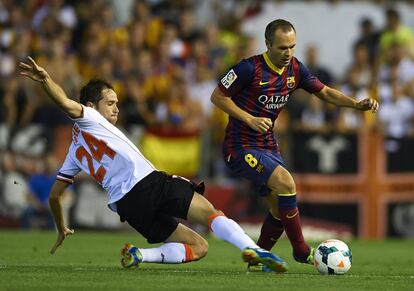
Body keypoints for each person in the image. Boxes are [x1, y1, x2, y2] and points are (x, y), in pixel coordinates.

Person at [18, 56, 287, 273]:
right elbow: (65, 102)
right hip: (147, 183)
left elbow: (55, 196)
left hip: (127, 207)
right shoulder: (89, 117)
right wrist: (46, 80)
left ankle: (140, 255)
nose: (116, 109)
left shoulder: (74, 153)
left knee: (199, 246)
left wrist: (60, 226)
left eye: (117, 104)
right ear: (90, 105)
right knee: (211, 213)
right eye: (110, 103)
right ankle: (254, 250)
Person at [210, 19, 379, 270]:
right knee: (287, 183)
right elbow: (217, 96)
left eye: (292, 46)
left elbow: (324, 92)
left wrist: (355, 104)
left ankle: (259, 258)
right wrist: (249, 119)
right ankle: (301, 251)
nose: (288, 53)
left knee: (280, 206)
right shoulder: (248, 69)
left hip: (268, 146)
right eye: (281, 47)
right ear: (267, 44)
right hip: (240, 147)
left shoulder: (295, 70)